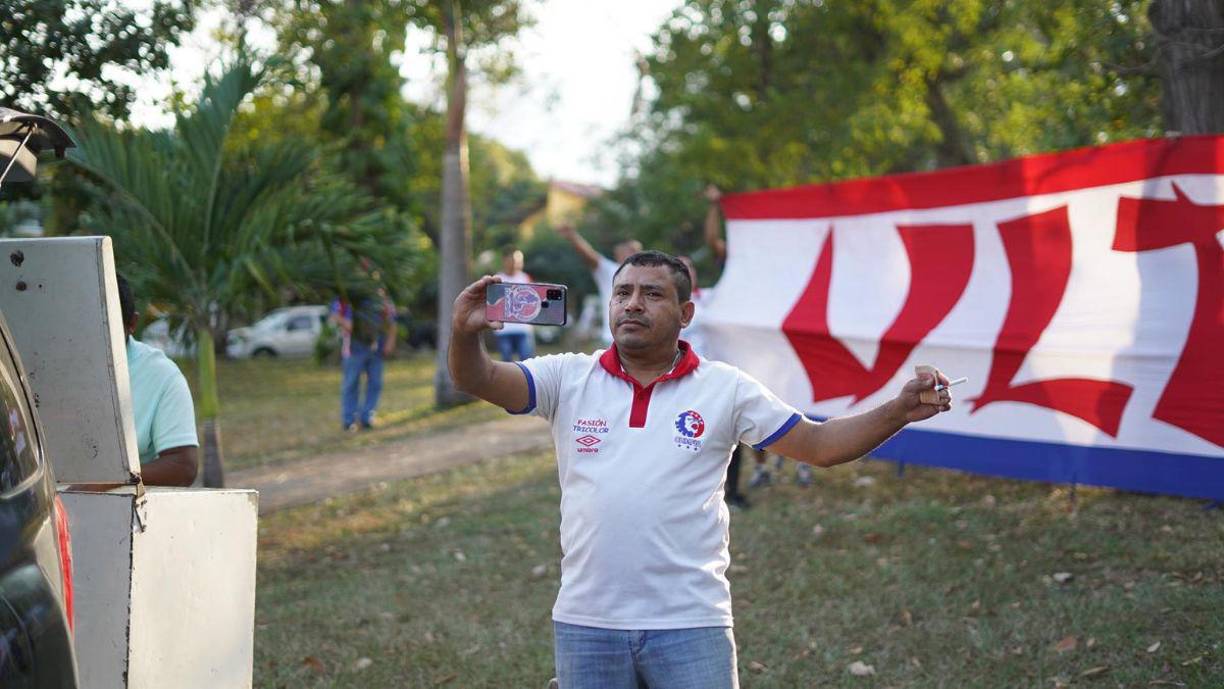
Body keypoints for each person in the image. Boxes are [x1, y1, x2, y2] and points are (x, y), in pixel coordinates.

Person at [448, 250, 954, 688]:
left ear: (686, 312)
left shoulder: (726, 388)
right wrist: (464, 334)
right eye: (622, 292)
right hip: (587, 621)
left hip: (690, 621)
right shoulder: (567, 376)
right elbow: (481, 378)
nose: (632, 304)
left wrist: (898, 411)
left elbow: (818, 444)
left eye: (652, 294)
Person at [704, 184, 813, 487]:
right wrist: (716, 207)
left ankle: (804, 463)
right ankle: (763, 466)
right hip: (748, 351)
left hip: (785, 347)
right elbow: (713, 240)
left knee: (797, 401)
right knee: (756, 408)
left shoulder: (789, 268)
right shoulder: (740, 262)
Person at [117, 275, 199, 486]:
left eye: (106, 328)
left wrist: (111, 482)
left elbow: (183, 467)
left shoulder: (162, 375)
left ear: (132, 323)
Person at [557, 224, 642, 346]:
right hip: (612, 339)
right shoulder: (611, 270)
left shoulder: (647, 275)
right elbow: (590, 255)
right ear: (618, 254)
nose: (636, 254)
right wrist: (573, 237)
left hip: (639, 339)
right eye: (631, 250)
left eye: (637, 250)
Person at [331, 287, 396, 431]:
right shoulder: (347, 296)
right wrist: (349, 324)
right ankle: (349, 420)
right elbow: (334, 316)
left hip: (377, 347)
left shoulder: (381, 296)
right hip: (354, 348)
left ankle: (367, 417)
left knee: (375, 383)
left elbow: (391, 320)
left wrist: (390, 341)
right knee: (351, 383)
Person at [492, 246, 536, 361]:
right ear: (505, 260)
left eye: (519, 261)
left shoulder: (526, 278)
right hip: (504, 329)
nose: (516, 264)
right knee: (506, 361)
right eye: (513, 260)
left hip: (523, 328)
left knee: (527, 361)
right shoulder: (497, 279)